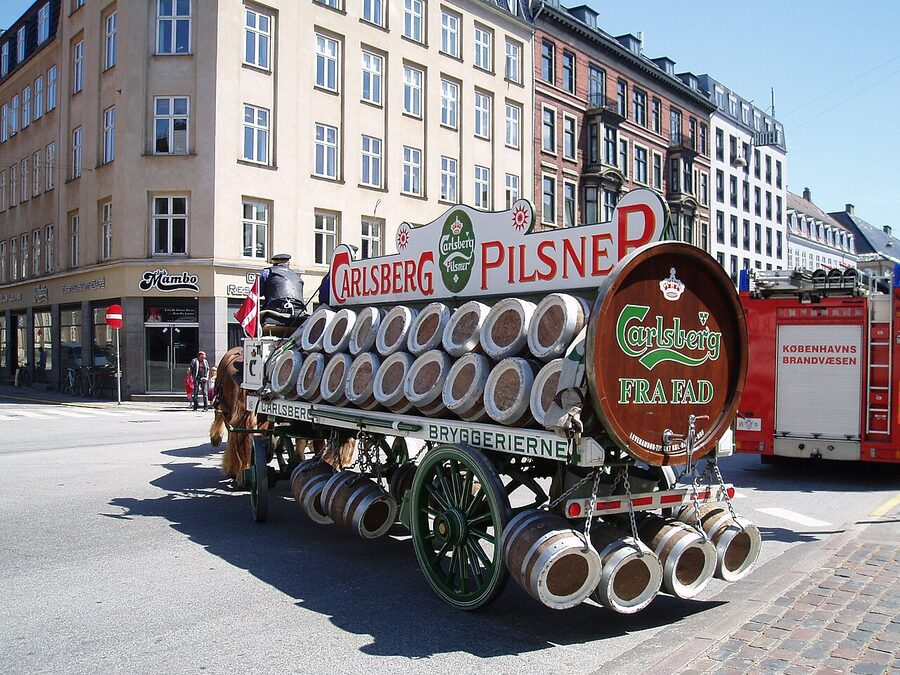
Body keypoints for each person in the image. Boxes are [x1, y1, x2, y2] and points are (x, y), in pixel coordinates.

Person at [258, 253, 306, 326]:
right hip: (298, 312)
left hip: (277, 308)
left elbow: (258, 291)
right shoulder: (296, 276)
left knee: (254, 321)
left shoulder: (268, 271)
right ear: (287, 263)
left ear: (274, 263)